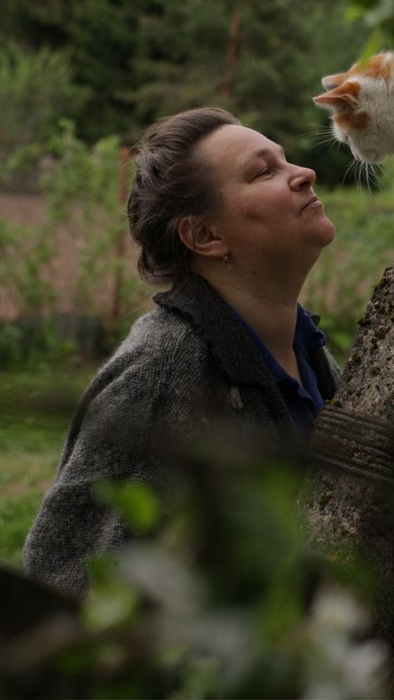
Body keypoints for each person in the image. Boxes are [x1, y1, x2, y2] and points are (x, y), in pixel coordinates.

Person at [23, 107, 340, 596]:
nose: (305, 173)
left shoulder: (312, 351)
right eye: (265, 171)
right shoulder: (165, 369)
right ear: (206, 237)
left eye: (285, 159)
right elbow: (70, 580)